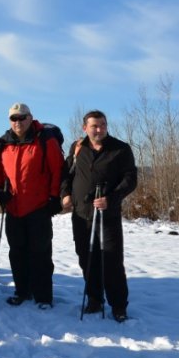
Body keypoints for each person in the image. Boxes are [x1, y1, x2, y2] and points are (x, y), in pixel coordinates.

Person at [61, 110, 137, 322]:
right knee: (86, 259)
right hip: (81, 214)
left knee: (111, 261)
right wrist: (65, 194)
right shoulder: (78, 148)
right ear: (85, 127)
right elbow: (65, 174)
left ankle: (119, 306)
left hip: (107, 215)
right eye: (94, 126)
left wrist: (111, 199)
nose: (99, 129)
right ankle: (95, 299)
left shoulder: (120, 149)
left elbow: (130, 179)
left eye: (102, 125)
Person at [0, 103, 64, 309]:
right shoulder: (2, 143)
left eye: (22, 117)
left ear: (30, 118)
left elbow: (57, 169)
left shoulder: (45, 140)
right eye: (14, 118)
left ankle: (43, 296)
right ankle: (22, 291)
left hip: (39, 207)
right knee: (17, 252)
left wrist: (54, 197)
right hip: (13, 207)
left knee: (40, 253)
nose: (18, 122)